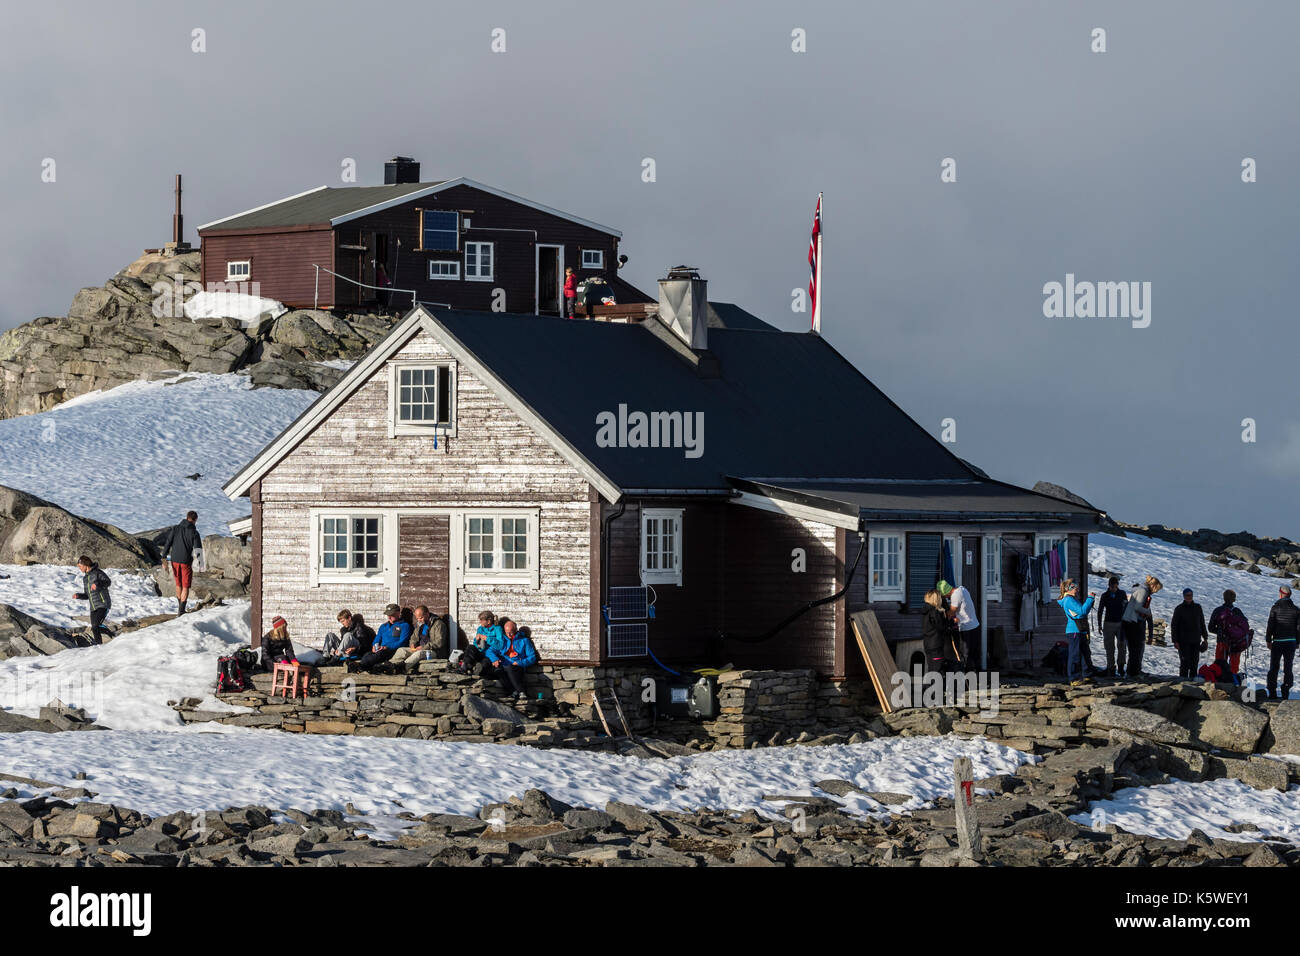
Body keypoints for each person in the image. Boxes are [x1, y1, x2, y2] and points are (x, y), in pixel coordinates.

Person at [160, 510, 202, 616]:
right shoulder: (194, 533)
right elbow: (198, 549)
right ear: (195, 520)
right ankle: (181, 611)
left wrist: (164, 556)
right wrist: (201, 564)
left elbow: (168, 542)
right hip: (185, 562)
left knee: (178, 584)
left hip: (174, 560)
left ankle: (180, 608)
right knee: (185, 586)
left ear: (186, 517)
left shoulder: (176, 528)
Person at [1056, 579, 1096, 686]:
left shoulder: (1073, 599)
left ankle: (1087, 675)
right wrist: (1090, 599)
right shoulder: (1068, 600)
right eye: (1075, 587)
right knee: (1075, 654)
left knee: (1085, 653)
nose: (1077, 589)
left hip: (1080, 630)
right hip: (1074, 631)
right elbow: (1082, 612)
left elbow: (1081, 612)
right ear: (1068, 589)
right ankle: (1073, 677)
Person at [487, 618, 539, 699]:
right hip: (504, 664)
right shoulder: (502, 640)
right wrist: (494, 659)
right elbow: (490, 651)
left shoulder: (524, 640)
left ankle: (521, 691)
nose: (509, 635)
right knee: (498, 671)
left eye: (511, 632)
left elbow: (532, 657)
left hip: (518, 665)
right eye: (507, 632)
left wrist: (520, 662)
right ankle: (514, 691)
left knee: (509, 668)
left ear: (515, 630)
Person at [1121, 575, 1161, 679]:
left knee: (1135, 648)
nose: (1155, 592)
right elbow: (1137, 607)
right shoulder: (1143, 591)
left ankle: (1134, 670)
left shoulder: (1141, 590)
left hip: (1131, 622)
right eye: (1156, 589)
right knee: (1135, 648)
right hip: (1131, 622)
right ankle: (1133, 672)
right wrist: (1147, 612)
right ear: (1153, 586)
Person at [1265, 584, 1299, 700]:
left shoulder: (1275, 608)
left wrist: (1268, 640)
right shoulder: (1296, 609)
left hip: (1278, 641)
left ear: (1281, 594)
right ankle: (1285, 691)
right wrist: (1297, 642)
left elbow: (1270, 625)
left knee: (1274, 666)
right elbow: (1299, 628)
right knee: (1288, 667)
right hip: (1291, 642)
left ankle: (1272, 691)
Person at [391, 605, 448, 673]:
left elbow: (439, 642)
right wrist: (412, 644)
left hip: (434, 652)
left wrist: (424, 647)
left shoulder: (438, 624)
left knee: (419, 653)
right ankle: (390, 665)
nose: (419, 620)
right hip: (419, 648)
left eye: (421, 618)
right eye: (417, 618)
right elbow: (413, 637)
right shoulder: (420, 624)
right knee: (402, 650)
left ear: (427, 614)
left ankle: (402, 668)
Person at [937, 579, 980, 668]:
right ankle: (975, 676)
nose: (944, 598)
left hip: (966, 628)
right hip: (974, 625)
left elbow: (951, 612)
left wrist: (941, 615)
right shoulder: (962, 589)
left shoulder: (955, 596)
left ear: (945, 592)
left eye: (943, 595)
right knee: (974, 653)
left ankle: (968, 677)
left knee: (965, 655)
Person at [72, 554, 114, 645]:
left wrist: (97, 584)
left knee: (96, 626)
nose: (79, 568)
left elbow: (108, 582)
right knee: (94, 628)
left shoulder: (97, 572)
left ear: (85, 564)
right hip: (93, 607)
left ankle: (111, 634)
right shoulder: (85, 579)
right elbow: (87, 595)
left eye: (80, 566)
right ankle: (98, 646)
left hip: (103, 603)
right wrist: (79, 596)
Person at [356, 604, 410, 672]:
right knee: (368, 654)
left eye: (392, 615)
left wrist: (387, 647)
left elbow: (402, 642)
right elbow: (377, 638)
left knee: (380, 654)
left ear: (398, 613)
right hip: (381, 649)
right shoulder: (383, 626)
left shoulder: (404, 626)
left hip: (393, 650)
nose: (389, 617)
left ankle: (361, 666)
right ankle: (362, 666)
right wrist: (375, 646)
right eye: (388, 615)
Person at [1208, 589, 1250, 676]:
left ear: (1224, 598)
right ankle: (1233, 684)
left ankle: (1219, 683)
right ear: (1234, 599)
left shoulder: (1218, 610)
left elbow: (1211, 628)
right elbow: (1245, 628)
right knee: (1234, 667)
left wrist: (1221, 631)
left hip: (1222, 641)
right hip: (1236, 643)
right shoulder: (1237, 611)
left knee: (1219, 665)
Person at [1169, 588, 1208, 680]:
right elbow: (1174, 625)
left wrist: (1205, 637)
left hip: (1195, 640)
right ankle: (1182, 683)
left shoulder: (1198, 607)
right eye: (1187, 595)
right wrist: (1175, 640)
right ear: (1184, 596)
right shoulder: (1179, 609)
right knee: (1184, 663)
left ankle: (1193, 684)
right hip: (1183, 641)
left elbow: (1202, 623)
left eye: (1190, 595)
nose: (1189, 597)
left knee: (1194, 663)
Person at [1097, 576, 1128, 677]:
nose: (1114, 588)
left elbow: (1126, 607)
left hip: (1121, 623)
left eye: (1115, 586)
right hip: (1108, 623)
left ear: (1117, 586)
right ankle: (1111, 667)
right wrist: (1099, 624)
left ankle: (1121, 666)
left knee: (1122, 645)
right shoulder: (1105, 595)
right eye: (1112, 587)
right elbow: (1100, 610)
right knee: (1109, 647)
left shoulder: (1122, 594)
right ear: (1109, 586)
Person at [920, 589, 957, 673]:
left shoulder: (925, 611)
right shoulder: (934, 612)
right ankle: (934, 685)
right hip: (936, 645)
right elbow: (941, 627)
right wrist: (952, 622)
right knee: (937, 668)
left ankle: (929, 685)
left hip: (927, 644)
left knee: (931, 668)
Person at [462, 610, 505, 675]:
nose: (480, 622)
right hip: (481, 652)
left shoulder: (497, 629)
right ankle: (466, 665)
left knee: (484, 664)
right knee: (470, 647)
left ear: (488, 621)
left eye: (482, 620)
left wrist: (487, 638)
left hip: (490, 654)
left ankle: (477, 669)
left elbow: (500, 645)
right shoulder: (480, 628)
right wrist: (477, 641)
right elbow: (476, 645)